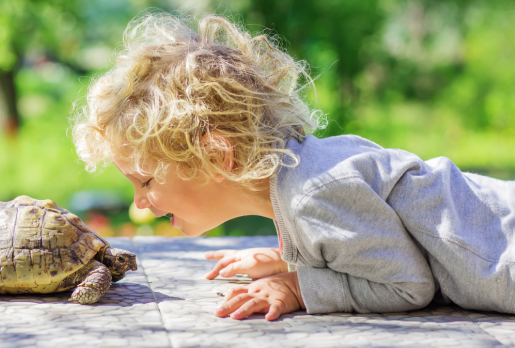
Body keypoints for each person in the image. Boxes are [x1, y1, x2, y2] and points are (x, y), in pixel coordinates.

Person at [71, 12, 515, 321]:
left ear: (215, 157)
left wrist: (298, 287)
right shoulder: (303, 175)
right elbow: (374, 242)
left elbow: (407, 285)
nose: (140, 204)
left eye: (145, 181)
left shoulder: (312, 193)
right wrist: (292, 259)